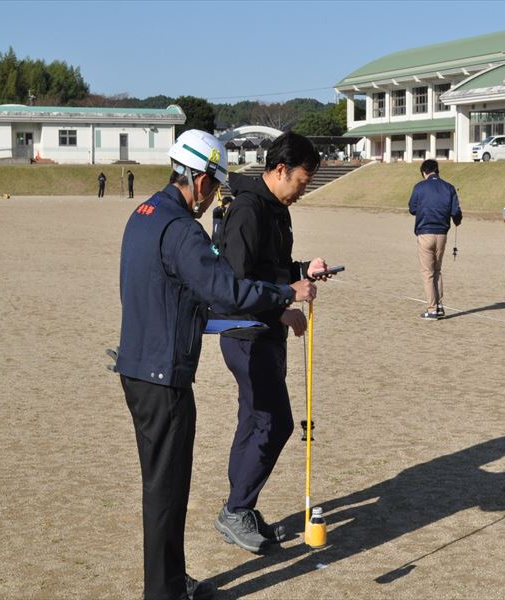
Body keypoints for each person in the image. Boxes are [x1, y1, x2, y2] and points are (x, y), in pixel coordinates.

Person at [115, 129, 316, 600]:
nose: (210, 201)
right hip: (162, 374)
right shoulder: (182, 227)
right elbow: (226, 289)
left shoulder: (143, 212)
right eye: (213, 187)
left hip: (139, 364)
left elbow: (180, 290)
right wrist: (288, 292)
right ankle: (164, 592)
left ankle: (166, 581)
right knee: (167, 492)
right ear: (201, 180)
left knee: (162, 488)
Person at [214, 132, 330, 553]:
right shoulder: (247, 210)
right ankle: (235, 509)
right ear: (280, 170)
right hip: (245, 333)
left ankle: (242, 506)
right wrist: (285, 299)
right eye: (301, 180)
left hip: (266, 329)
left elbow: (273, 268)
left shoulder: (276, 209)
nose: (303, 189)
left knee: (254, 420)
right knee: (275, 421)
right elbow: (236, 283)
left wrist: (304, 270)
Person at [408, 159, 462, 320]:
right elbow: (456, 212)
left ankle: (432, 309)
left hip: (425, 233)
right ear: (437, 171)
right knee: (437, 270)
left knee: (427, 272)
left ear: (424, 172)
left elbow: (412, 208)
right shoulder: (449, 187)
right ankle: (439, 305)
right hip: (442, 234)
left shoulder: (419, 187)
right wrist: (457, 221)